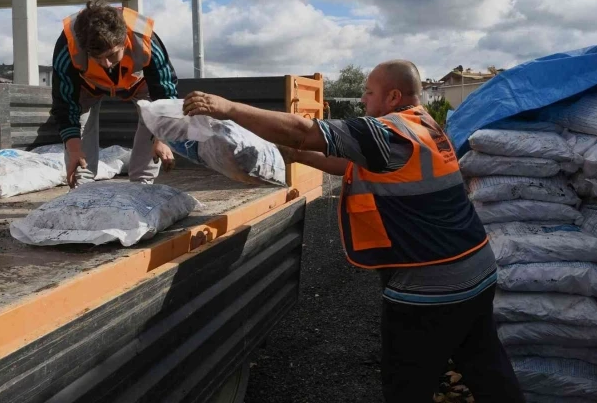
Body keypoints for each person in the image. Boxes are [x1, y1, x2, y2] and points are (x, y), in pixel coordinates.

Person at [182, 60, 525, 402]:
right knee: (486, 366)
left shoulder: (387, 131)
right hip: (477, 270)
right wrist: (295, 154)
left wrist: (226, 108)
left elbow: (303, 129)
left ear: (392, 96)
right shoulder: (425, 127)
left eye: (368, 91)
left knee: (407, 385)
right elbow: (350, 163)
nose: (362, 99)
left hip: (429, 288)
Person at [51, 0, 177, 187]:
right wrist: (74, 149)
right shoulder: (68, 46)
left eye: (112, 55)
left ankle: (142, 184)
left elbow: (165, 95)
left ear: (124, 41)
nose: (106, 64)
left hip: (136, 82)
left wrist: (163, 138)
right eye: (98, 58)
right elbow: (64, 103)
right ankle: (81, 185)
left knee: (153, 113)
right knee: (78, 128)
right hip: (88, 85)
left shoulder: (145, 39)